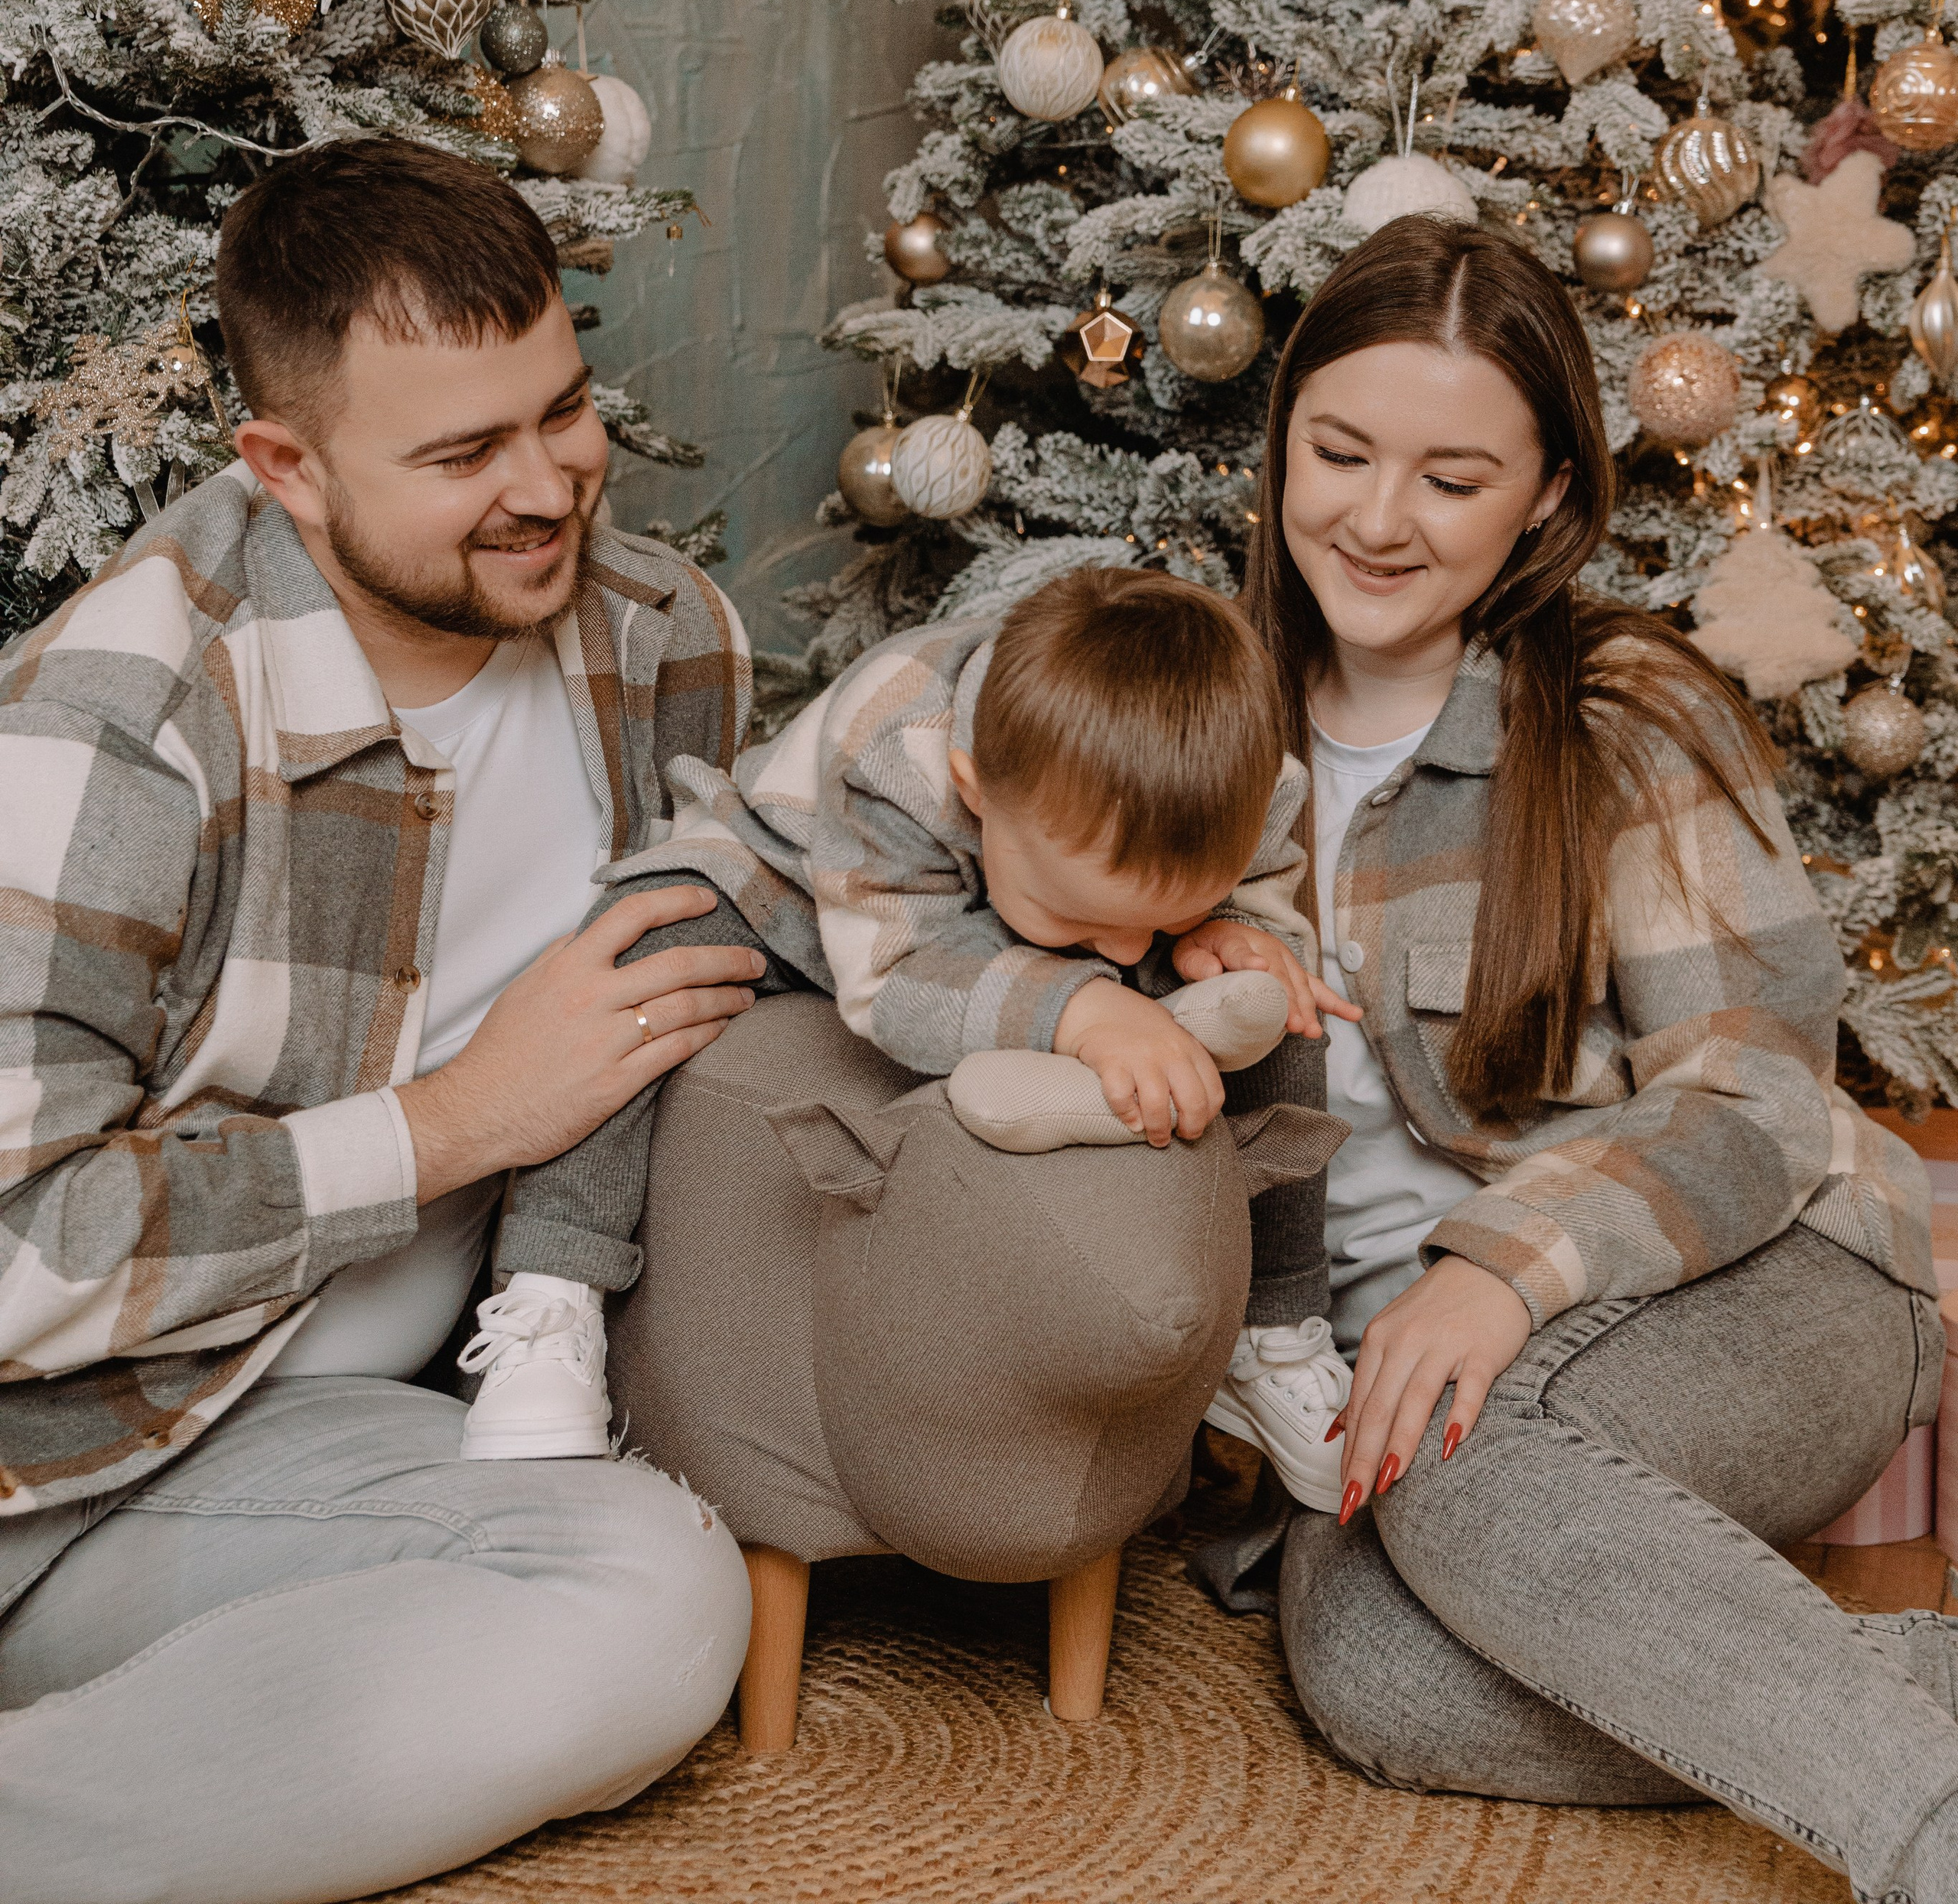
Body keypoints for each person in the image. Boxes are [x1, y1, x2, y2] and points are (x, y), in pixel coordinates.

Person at [0, 139, 766, 1904]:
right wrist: (457, 1121)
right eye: (459, 454)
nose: (547, 485)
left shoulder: (663, 644)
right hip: (53, 1477)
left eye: (561, 408)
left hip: (316, 1438)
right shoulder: (120, 722)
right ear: (285, 465)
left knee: (659, 1596)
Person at [1238, 213, 1958, 1903]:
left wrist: (1495, 1273)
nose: (1373, 518)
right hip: (1386, 1376)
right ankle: (1890, 1696)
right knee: (1375, 1679)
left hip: (1759, 1282)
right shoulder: (1197, 711)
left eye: (1449, 477)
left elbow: (1755, 1085)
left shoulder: (1619, 710)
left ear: (1546, 499)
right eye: (1337, 452)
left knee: (1458, 1456)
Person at [522, 565, 1358, 1507]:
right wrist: (1080, 1005)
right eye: (1085, 918)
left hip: (1000, 920)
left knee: (1283, 1007)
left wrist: (1236, 929)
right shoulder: (895, 741)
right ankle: (552, 1286)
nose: (1126, 951)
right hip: (807, 894)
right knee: (640, 941)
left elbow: (1259, 898)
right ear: (975, 792)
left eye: (1155, 918)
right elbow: (893, 980)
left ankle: (1274, 1330)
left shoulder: (1238, 774)